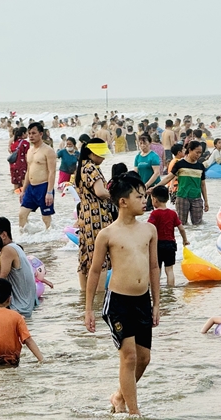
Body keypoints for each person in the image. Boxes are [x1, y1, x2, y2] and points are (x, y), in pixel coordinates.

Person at [84, 173, 160, 417]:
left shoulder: (149, 230)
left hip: (142, 299)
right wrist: (88, 310)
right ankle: (133, 412)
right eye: (139, 196)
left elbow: (154, 267)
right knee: (128, 357)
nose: (144, 200)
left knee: (144, 358)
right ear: (123, 202)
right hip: (117, 301)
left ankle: (119, 395)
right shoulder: (107, 234)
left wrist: (157, 303)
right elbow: (95, 271)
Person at [75, 139, 113, 292]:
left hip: (84, 215)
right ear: (92, 153)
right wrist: (114, 196)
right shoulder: (92, 168)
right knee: (101, 257)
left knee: (85, 255)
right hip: (97, 215)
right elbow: (100, 192)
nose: (103, 158)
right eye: (101, 154)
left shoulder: (81, 168)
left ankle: (85, 294)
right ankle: (98, 295)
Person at [0, 217, 36, 318]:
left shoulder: (7, 250)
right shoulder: (15, 247)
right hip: (26, 306)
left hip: (18, 309)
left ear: (4, 235)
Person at [0, 278, 44, 365]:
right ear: (9, 299)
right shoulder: (17, 317)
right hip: (11, 360)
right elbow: (28, 340)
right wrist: (41, 359)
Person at [156, 141, 209, 225]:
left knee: (198, 224)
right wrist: (156, 187)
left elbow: (203, 185)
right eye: (197, 152)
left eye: (200, 153)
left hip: (197, 198)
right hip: (182, 198)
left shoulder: (200, 167)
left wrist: (206, 201)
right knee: (182, 224)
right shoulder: (180, 164)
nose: (198, 155)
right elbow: (169, 177)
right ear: (190, 150)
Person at [148, 186, 189, 287]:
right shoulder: (172, 213)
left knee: (156, 268)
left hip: (157, 245)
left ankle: (155, 287)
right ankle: (171, 289)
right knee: (169, 269)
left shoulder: (155, 213)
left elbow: (148, 228)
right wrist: (185, 240)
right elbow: (181, 228)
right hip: (170, 245)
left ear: (155, 200)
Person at [19, 122, 57, 230]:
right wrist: (23, 190)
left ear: (41, 134)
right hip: (31, 188)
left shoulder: (48, 151)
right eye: (29, 133)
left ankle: (49, 241)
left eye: (34, 133)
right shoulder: (30, 151)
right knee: (22, 214)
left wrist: (49, 192)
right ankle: (24, 239)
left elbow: (52, 172)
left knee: (46, 219)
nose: (31, 136)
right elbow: (28, 171)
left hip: (43, 187)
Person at [133, 134, 160, 211]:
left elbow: (156, 173)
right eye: (140, 143)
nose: (142, 146)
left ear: (150, 143)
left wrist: (147, 184)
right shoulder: (138, 157)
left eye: (145, 143)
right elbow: (135, 173)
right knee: (143, 209)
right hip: (143, 188)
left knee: (152, 209)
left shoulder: (153, 156)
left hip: (153, 187)